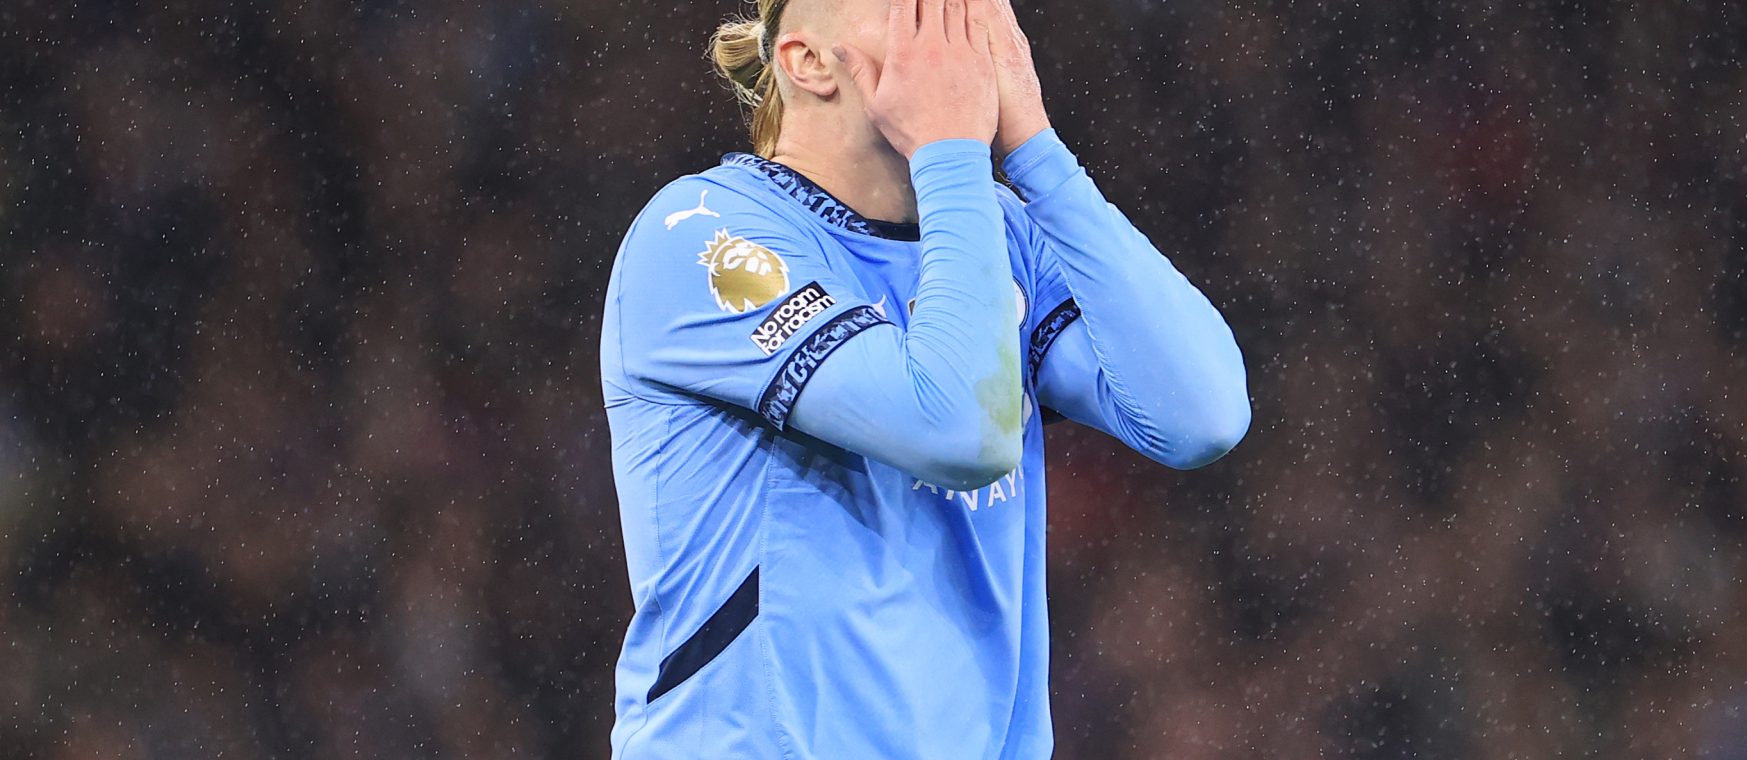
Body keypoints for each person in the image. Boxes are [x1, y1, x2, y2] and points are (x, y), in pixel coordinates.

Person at [598, 0, 1250, 755]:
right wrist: (950, 154)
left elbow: (1199, 416)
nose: (948, 26)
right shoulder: (701, 231)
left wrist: (1039, 155)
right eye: (907, 7)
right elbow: (961, 434)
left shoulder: (993, 229)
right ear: (808, 63)